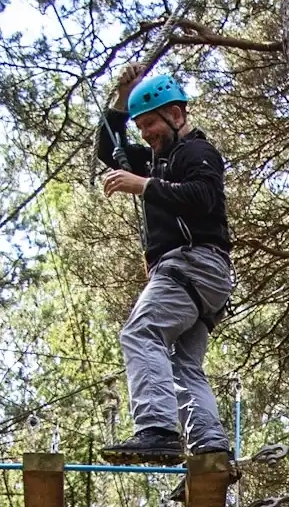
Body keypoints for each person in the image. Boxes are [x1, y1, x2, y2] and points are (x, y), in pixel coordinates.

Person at [95, 67, 235, 466]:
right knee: (184, 365)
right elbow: (109, 148)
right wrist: (122, 96)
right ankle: (210, 448)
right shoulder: (158, 160)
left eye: (151, 124)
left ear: (175, 115)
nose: (145, 135)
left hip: (193, 264)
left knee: (141, 333)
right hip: (202, 276)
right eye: (140, 127)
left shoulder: (196, 152)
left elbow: (203, 196)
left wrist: (143, 185)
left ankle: (157, 429)